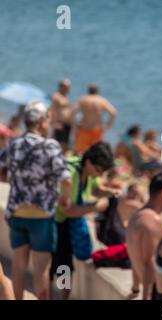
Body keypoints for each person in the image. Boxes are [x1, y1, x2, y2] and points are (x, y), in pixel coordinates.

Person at [0, 101, 72, 300]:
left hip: (16, 211)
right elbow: (66, 179)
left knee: (19, 264)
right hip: (41, 215)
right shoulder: (50, 146)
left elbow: (1, 169)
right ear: (41, 122)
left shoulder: (14, 143)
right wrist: (65, 200)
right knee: (41, 269)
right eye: (47, 120)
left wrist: (15, 180)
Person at [49, 141, 115, 300]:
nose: (98, 175)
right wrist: (94, 208)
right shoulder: (71, 173)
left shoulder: (87, 171)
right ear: (88, 161)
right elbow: (69, 210)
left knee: (64, 267)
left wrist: (111, 193)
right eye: (98, 170)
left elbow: (95, 189)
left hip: (65, 224)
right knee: (59, 267)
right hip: (56, 223)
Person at [125, 174, 162, 300]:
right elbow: (151, 264)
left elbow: (136, 259)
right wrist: (146, 297)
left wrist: (135, 288)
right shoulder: (153, 221)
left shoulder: (136, 216)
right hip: (158, 293)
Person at [71, 83, 117, 155]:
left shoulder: (83, 99)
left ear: (88, 91)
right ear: (97, 91)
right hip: (97, 130)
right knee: (96, 153)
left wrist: (75, 126)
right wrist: (107, 126)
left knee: (78, 153)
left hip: (84, 129)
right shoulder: (101, 100)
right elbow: (113, 112)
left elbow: (73, 112)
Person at [50, 79, 72, 151]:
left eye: (68, 87)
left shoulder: (65, 97)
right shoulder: (56, 96)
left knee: (66, 144)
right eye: (66, 87)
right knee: (58, 144)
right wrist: (55, 122)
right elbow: (53, 110)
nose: (68, 89)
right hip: (59, 123)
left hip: (67, 124)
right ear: (61, 86)